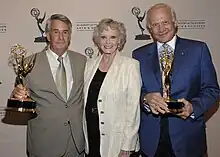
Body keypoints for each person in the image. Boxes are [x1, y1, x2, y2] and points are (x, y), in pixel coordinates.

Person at [132, 3, 220, 157]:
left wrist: (193, 107)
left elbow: (211, 90)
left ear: (175, 22)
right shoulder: (138, 55)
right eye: (155, 24)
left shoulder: (198, 50)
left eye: (165, 22)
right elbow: (134, 92)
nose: (161, 28)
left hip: (188, 138)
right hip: (151, 141)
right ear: (149, 29)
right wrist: (145, 98)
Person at [12, 14, 86, 157]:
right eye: (56, 32)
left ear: (70, 36)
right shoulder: (29, 63)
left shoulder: (82, 61)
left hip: (76, 144)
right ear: (47, 35)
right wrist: (17, 94)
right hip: (44, 143)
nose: (60, 37)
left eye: (65, 32)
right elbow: (18, 95)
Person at [83, 18, 141, 157]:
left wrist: (127, 145)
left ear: (119, 40)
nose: (108, 42)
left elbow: (133, 109)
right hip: (92, 136)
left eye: (113, 37)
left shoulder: (130, 66)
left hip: (117, 141)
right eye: (103, 37)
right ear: (98, 40)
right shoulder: (89, 64)